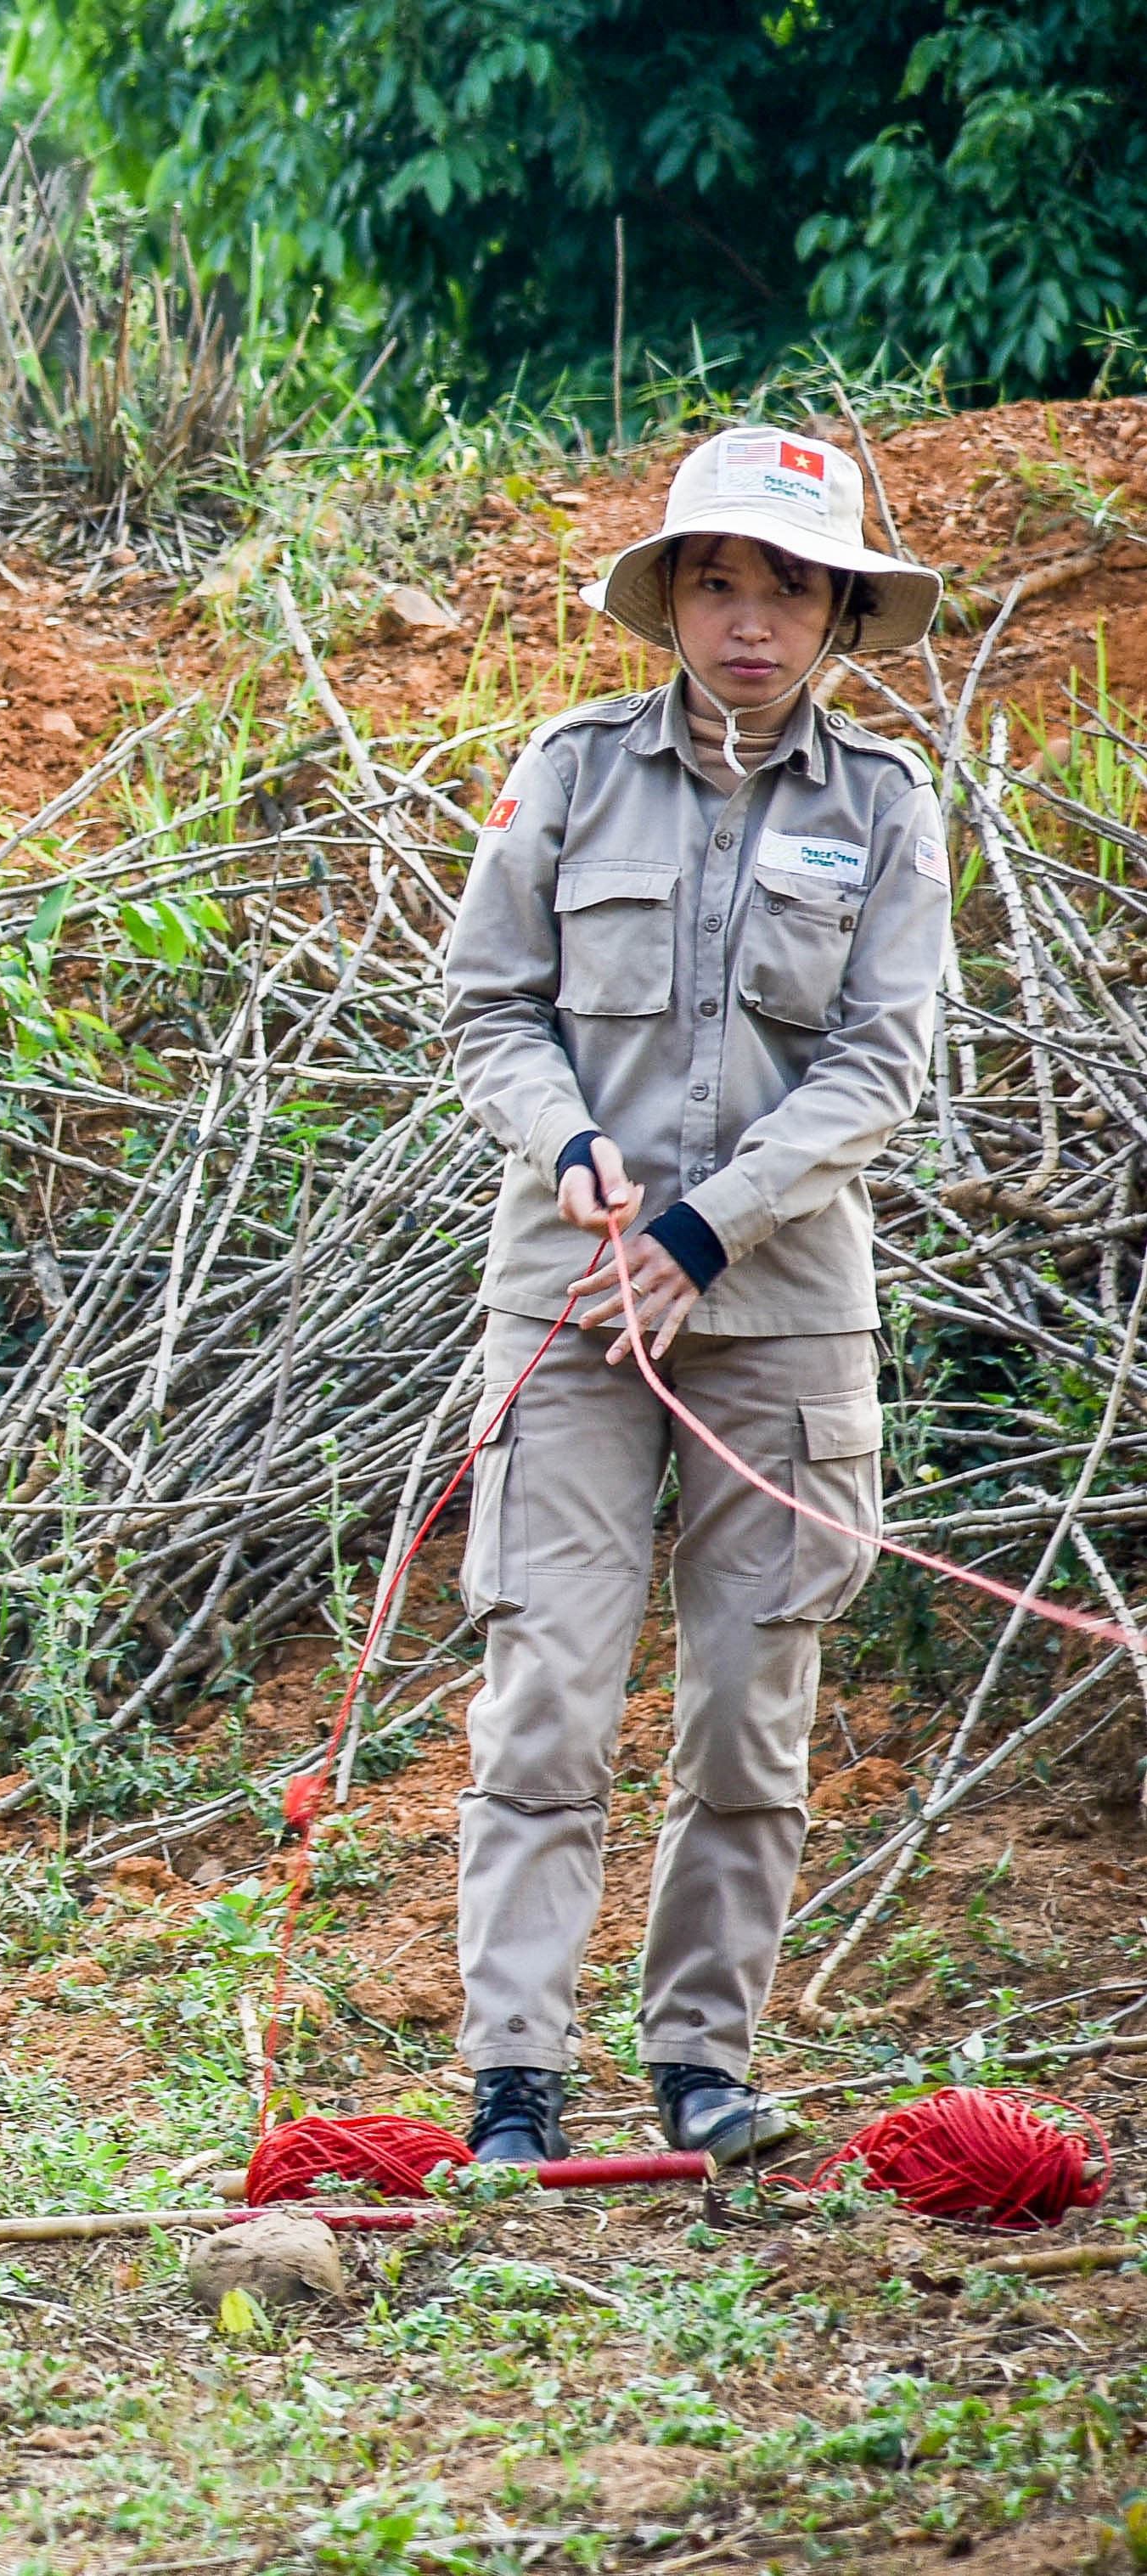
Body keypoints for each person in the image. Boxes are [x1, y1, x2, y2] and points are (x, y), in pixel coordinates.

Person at [439, 425, 947, 2165]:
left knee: (749, 1694)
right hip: (569, 1306)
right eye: (712, 580)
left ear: (835, 616)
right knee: (548, 1684)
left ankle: (697, 2061)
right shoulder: (568, 771)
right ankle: (511, 2076)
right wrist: (566, 1144)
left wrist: (704, 1230)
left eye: (784, 584)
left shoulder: (879, 807)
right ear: (665, 599)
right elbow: (485, 1006)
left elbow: (877, 1066)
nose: (746, 617)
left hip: (782, 1311)